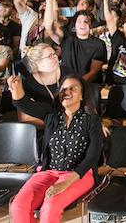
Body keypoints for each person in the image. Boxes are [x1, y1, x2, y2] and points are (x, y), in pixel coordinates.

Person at [10, 75, 103, 223]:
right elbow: (23, 104)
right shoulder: (51, 115)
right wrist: (16, 87)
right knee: (18, 206)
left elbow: (93, 157)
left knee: (50, 206)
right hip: (49, 171)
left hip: (79, 174)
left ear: (82, 96)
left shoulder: (92, 120)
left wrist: (66, 183)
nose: (67, 92)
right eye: (63, 89)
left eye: (73, 88)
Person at [43, 0, 106, 83]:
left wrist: (77, 83)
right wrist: (49, 1)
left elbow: (94, 71)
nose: (83, 24)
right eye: (79, 21)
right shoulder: (67, 39)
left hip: (87, 86)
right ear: (74, 25)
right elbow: (49, 27)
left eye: (86, 21)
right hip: (66, 84)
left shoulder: (99, 44)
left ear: (91, 25)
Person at [8, 43, 61, 128]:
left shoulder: (67, 73)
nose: (55, 57)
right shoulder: (28, 85)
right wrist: (56, 124)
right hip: (43, 130)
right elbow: (25, 120)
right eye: (50, 56)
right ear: (38, 63)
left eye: (55, 54)